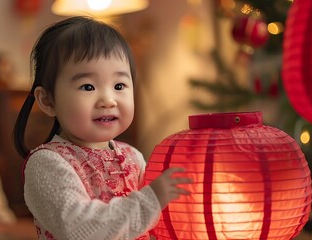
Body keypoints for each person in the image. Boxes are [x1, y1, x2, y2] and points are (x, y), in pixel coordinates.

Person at [13, 16, 192, 240]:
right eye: (88, 86)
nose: (108, 100)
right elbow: (78, 228)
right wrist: (152, 199)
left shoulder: (133, 158)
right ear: (48, 101)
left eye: (119, 85)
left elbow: (158, 224)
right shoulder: (46, 164)